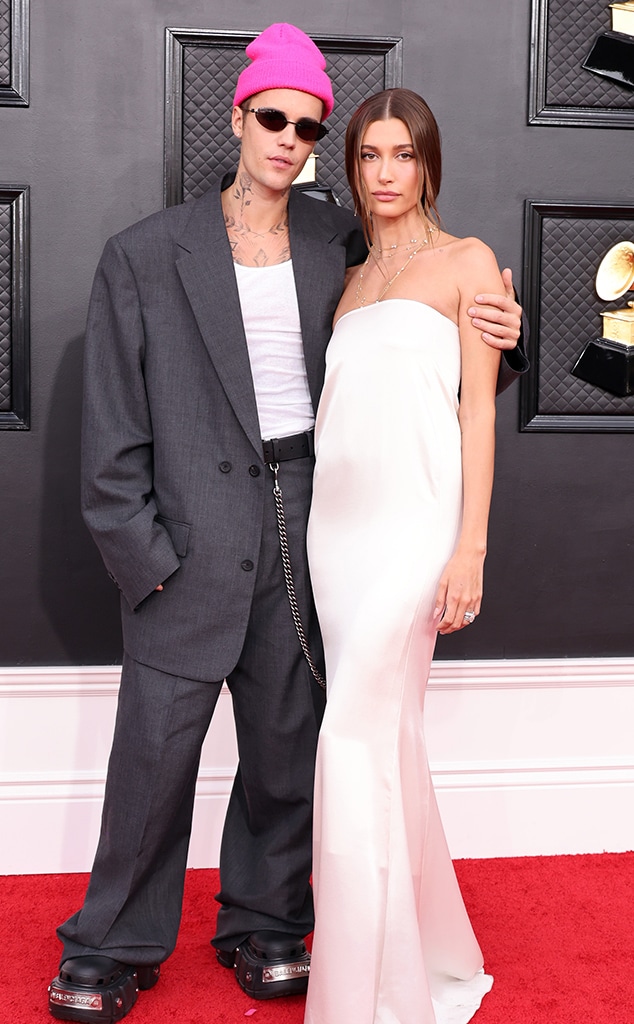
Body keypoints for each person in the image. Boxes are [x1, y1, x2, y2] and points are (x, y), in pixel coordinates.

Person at [48, 25, 524, 1024]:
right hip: (186, 535)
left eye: (309, 128)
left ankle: (265, 922)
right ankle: (112, 942)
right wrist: (144, 555)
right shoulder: (143, 255)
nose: (289, 140)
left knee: (283, 749)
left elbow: (410, 320)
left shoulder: (332, 242)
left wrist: (501, 331)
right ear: (237, 116)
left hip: (313, 526)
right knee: (154, 755)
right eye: (274, 118)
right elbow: (110, 430)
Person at [304, 88, 506, 1024]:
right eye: (369, 156)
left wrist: (469, 547)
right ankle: (414, 952)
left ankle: (363, 996)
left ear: (428, 163)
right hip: (334, 534)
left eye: (403, 155)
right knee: (382, 738)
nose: (386, 174)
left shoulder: (469, 263)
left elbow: (475, 409)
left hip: (418, 528)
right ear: (351, 168)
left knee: (350, 736)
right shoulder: (346, 282)